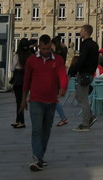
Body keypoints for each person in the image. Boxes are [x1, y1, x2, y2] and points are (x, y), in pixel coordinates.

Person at [21, 33, 68, 172]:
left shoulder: (58, 60)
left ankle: (40, 156)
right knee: (37, 130)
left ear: (51, 47)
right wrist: (24, 99)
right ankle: (36, 158)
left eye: (48, 48)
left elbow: (62, 75)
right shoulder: (31, 60)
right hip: (36, 99)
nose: (46, 51)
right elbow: (26, 80)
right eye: (43, 48)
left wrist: (63, 87)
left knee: (46, 130)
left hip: (51, 100)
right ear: (39, 47)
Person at [71, 24, 99, 132]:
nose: (80, 32)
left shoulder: (85, 45)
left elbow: (82, 59)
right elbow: (96, 60)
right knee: (79, 96)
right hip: (89, 73)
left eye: (81, 30)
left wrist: (74, 70)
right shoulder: (95, 45)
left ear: (86, 32)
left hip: (84, 73)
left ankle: (85, 124)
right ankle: (91, 116)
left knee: (83, 99)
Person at [11, 40, 32, 129]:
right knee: (22, 100)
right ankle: (18, 120)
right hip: (27, 78)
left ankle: (21, 121)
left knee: (19, 101)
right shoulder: (30, 56)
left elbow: (12, 68)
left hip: (18, 78)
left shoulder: (17, 56)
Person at [51, 37, 69, 126]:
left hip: (55, 76)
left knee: (53, 99)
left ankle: (63, 118)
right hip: (58, 76)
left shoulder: (57, 54)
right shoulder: (64, 48)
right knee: (53, 99)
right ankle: (63, 118)